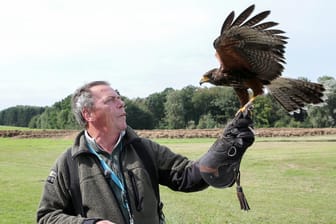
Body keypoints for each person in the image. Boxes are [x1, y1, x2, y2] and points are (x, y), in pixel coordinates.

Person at [37, 80, 254, 224]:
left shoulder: (143, 149)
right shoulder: (69, 163)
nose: (121, 103)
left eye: (119, 97)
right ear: (88, 114)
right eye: (111, 100)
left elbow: (188, 176)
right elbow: (47, 216)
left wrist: (223, 149)